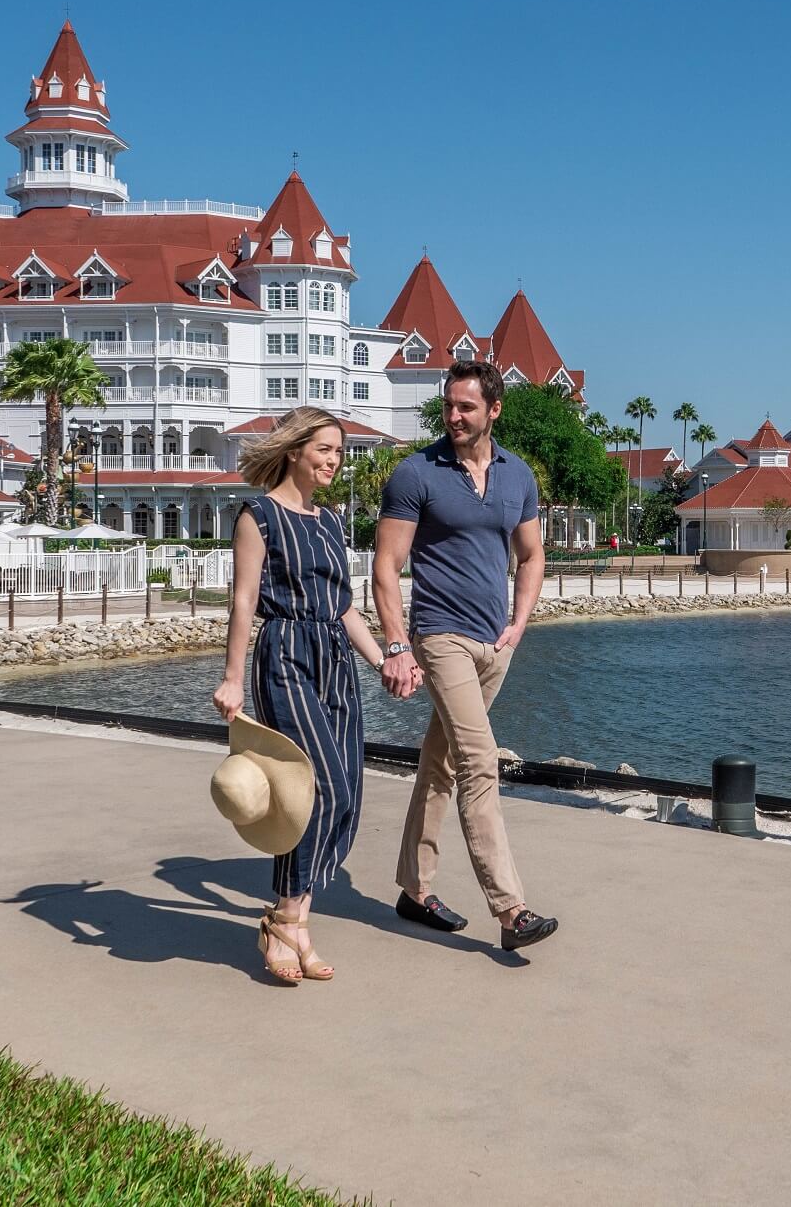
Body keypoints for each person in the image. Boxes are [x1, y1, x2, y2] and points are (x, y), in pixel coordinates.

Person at [375, 361, 558, 952]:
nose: (453, 417)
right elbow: (387, 566)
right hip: (440, 636)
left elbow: (531, 556)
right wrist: (398, 645)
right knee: (480, 761)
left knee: (442, 763)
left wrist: (519, 623)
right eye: (448, 407)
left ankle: (414, 886)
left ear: (493, 410)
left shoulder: (518, 475)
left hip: (493, 644)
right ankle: (511, 911)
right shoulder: (415, 473)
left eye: (466, 408)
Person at [213, 407, 389, 985]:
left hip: (335, 657)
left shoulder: (332, 522)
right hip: (285, 653)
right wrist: (233, 677)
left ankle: (296, 922)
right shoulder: (257, 516)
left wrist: (385, 658)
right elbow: (243, 602)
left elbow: (343, 605)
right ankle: (285, 921)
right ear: (293, 450)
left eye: (340, 451)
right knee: (316, 787)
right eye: (325, 449)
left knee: (346, 795)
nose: (335, 460)